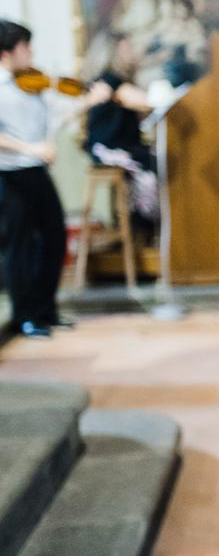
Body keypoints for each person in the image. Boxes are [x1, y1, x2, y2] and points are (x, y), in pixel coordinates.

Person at [0, 21, 105, 339]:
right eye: (25, 47)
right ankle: (25, 316)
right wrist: (30, 147)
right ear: (7, 52)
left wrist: (88, 101)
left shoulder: (31, 83)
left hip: (36, 171)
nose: (31, 52)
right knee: (19, 247)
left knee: (54, 240)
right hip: (11, 175)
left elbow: (56, 115)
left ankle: (47, 311)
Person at [85, 33, 160, 230]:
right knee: (151, 164)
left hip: (122, 144)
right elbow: (145, 102)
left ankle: (144, 224)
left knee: (156, 156)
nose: (132, 53)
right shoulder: (109, 81)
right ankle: (144, 225)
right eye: (127, 49)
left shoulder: (116, 82)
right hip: (108, 148)